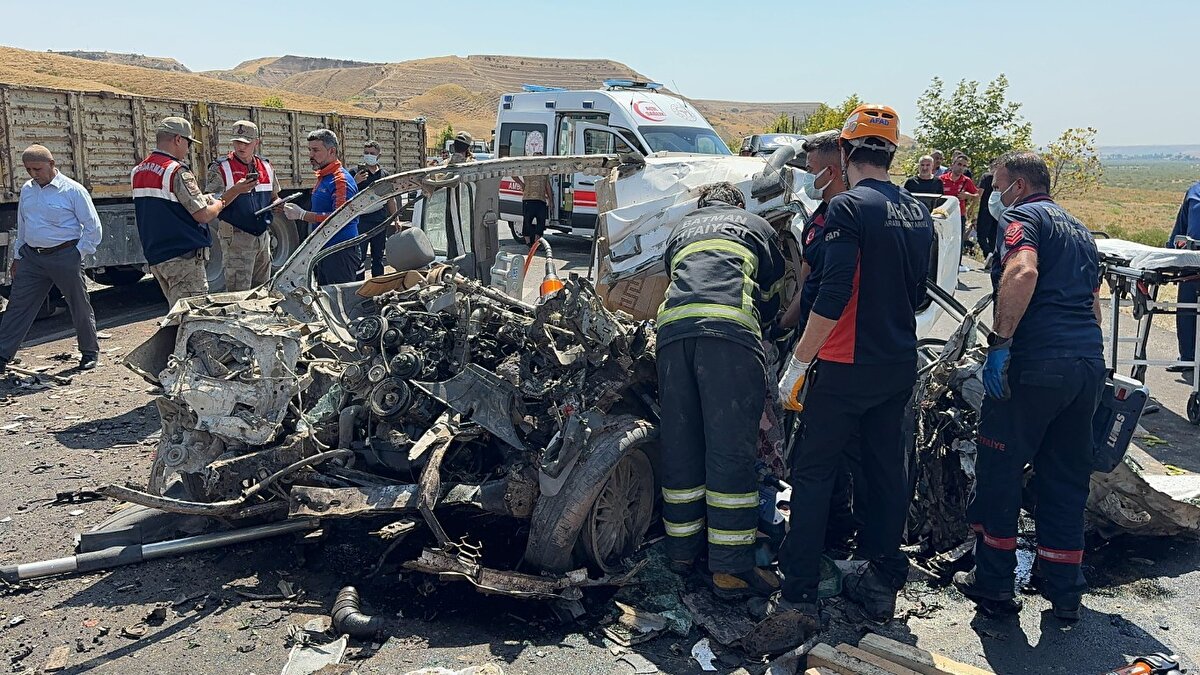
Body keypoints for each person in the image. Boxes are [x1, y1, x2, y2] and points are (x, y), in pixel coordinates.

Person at [774, 104, 933, 625]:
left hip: (844, 364)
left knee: (814, 471)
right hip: (897, 364)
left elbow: (833, 295)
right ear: (890, 152)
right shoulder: (918, 212)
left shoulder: (846, 209)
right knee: (886, 471)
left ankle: (797, 589)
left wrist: (798, 363)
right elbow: (917, 297)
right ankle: (882, 581)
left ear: (845, 151)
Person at [953, 151, 1105, 623]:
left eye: (997, 185)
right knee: (1064, 478)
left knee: (999, 469)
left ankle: (994, 585)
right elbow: (1093, 304)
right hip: (1086, 365)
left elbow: (1022, 271)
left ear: (1018, 186)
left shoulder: (1022, 217)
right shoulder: (1079, 231)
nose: (993, 195)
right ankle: (1064, 593)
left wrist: (1001, 343)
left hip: (1038, 363)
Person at [657, 181, 787, 599]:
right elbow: (770, 292)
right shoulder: (755, 224)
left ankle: (682, 553)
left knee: (682, 444)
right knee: (729, 450)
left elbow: (677, 278)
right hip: (729, 338)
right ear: (738, 203)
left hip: (673, 338)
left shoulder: (681, 229)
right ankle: (729, 570)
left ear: (702, 204)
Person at [778, 130, 860, 556]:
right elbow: (806, 283)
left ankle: (834, 535)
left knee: (831, 450)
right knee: (807, 440)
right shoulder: (819, 218)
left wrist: (803, 354)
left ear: (833, 168)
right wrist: (783, 326)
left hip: (839, 349)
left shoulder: (854, 218)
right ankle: (815, 523)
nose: (810, 177)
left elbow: (835, 295)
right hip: (808, 340)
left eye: (813, 170)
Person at [132, 117, 256, 308]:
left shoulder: (139, 170)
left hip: (158, 256)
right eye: (188, 142)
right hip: (183, 258)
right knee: (195, 318)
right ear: (178, 139)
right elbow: (204, 215)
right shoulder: (176, 171)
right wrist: (225, 199)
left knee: (178, 314)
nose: (188, 149)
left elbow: (164, 208)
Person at [0, 145, 103, 373]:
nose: (33, 174)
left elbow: (93, 228)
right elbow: (23, 225)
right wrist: (17, 257)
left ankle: (89, 353)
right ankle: (2, 355)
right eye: (28, 169)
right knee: (18, 306)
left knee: (78, 304)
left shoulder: (73, 191)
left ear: (52, 164)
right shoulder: (28, 190)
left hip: (65, 255)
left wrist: (78, 253)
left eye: (37, 168)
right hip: (32, 258)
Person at [206, 121, 280, 291]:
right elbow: (210, 203)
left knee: (262, 291)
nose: (241, 146)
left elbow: (274, 196)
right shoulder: (220, 167)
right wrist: (236, 190)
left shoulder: (266, 166)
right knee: (239, 293)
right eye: (237, 141)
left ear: (256, 142)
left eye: (246, 142)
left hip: (262, 236)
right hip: (236, 237)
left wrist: (277, 204)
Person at [283, 129, 362, 285]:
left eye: (316, 150)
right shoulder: (324, 177)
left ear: (331, 151)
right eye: (309, 150)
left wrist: (303, 215)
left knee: (339, 304)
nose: (310, 155)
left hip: (340, 252)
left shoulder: (340, 180)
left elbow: (340, 219)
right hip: (325, 250)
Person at [1167, 179, 1200, 372]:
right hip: (1191, 263)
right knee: (1186, 309)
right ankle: (1187, 358)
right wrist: (1169, 257)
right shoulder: (1194, 192)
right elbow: (1180, 228)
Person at [354, 140, 400, 277]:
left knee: (378, 257)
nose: (368, 156)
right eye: (366, 153)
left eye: (372, 153)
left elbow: (391, 199)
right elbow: (347, 195)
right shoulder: (355, 173)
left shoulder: (384, 175)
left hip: (380, 222)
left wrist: (396, 218)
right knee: (359, 257)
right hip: (361, 221)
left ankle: (378, 285)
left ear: (378, 156)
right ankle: (359, 287)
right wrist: (356, 181)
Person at [941, 154, 980, 270]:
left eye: (964, 166)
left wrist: (968, 195)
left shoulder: (966, 181)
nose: (961, 168)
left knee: (957, 243)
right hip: (943, 215)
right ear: (952, 165)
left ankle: (955, 268)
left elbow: (977, 195)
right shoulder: (941, 179)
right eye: (959, 164)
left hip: (959, 216)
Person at [511, 152, 551, 246]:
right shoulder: (527, 168)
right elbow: (513, 173)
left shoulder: (544, 171)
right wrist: (521, 183)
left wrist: (551, 200)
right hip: (528, 199)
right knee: (527, 222)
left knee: (541, 223)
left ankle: (536, 243)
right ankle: (528, 243)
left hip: (541, 199)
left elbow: (547, 186)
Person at [975, 160, 1000, 266]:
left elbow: (979, 193)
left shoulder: (986, 176)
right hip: (998, 209)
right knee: (993, 236)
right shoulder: (1003, 178)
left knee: (981, 235)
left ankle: (988, 253)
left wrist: (973, 206)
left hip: (985, 209)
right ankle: (993, 258)